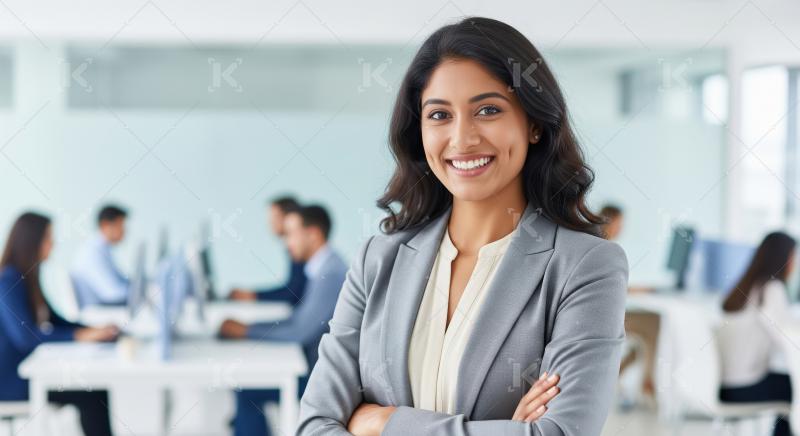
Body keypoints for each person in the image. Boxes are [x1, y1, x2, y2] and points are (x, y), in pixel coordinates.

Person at [297, 17, 629, 436]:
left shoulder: (585, 267)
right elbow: (313, 425)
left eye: (487, 110)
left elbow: (562, 433)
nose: (462, 138)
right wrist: (499, 429)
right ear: (418, 132)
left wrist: (380, 422)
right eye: (439, 115)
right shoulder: (377, 261)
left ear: (533, 124)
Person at [219, 204, 348, 436]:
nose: (286, 242)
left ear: (313, 234)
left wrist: (245, 331)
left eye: (290, 234)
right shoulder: (322, 266)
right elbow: (298, 320)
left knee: (248, 391)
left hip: (322, 382)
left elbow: (299, 330)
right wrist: (247, 328)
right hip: (316, 369)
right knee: (246, 388)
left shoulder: (331, 272)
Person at [0, 212, 119, 436]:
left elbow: (55, 321)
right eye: (48, 238)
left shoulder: (28, 277)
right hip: (9, 381)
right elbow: (26, 338)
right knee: (91, 393)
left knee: (93, 388)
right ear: (31, 242)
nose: (53, 244)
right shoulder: (8, 281)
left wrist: (92, 330)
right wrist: (80, 337)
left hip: (28, 370)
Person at [717, 231, 796, 436]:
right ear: (784, 259)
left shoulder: (745, 287)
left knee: (785, 384)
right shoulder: (771, 289)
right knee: (789, 387)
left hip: (725, 385)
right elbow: (786, 337)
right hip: (744, 388)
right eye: (793, 257)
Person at [600, 203, 659, 407]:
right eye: (620, 223)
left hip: (606, 313)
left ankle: (620, 377)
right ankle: (647, 384)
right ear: (611, 222)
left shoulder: (601, 246)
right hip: (605, 317)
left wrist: (635, 289)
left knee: (646, 334)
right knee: (654, 324)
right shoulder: (605, 248)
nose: (621, 228)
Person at [228, 196, 308, 304]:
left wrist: (252, 296)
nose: (270, 223)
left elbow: (293, 293)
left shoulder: (300, 250)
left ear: (289, 218)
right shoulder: (293, 248)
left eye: (274, 218)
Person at [70, 204, 130, 307]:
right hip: (99, 310)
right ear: (105, 225)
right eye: (120, 225)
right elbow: (112, 294)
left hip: (105, 306)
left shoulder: (103, 249)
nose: (124, 231)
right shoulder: (93, 252)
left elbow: (121, 280)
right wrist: (142, 293)